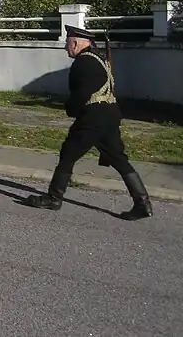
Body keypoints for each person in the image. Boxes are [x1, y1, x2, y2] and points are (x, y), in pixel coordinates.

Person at [23, 25, 153, 220]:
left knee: (68, 154)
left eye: (68, 44)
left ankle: (54, 198)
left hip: (93, 117)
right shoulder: (98, 60)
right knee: (118, 159)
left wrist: (71, 108)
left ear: (75, 44)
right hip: (110, 115)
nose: (66, 48)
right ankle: (142, 203)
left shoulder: (83, 62)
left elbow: (83, 92)